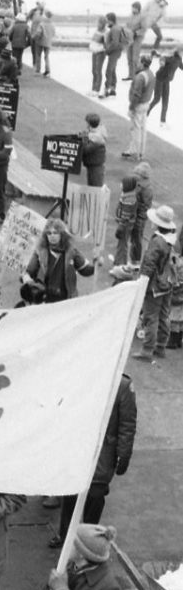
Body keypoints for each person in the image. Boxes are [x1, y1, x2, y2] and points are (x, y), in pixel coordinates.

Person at [50, 374, 137, 548]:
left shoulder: (123, 386)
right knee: (71, 494)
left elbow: (127, 426)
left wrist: (123, 455)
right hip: (77, 447)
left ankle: (89, 540)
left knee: (95, 496)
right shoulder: (84, 373)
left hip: (103, 453)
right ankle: (66, 536)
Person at [132, 205, 179, 361]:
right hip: (168, 283)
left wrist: (143, 280)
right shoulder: (170, 239)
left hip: (155, 285)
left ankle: (147, 350)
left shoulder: (157, 241)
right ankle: (160, 346)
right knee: (164, 315)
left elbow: (149, 263)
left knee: (151, 316)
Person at [20, 218, 94, 304]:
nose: (52, 236)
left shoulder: (71, 251)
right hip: (45, 300)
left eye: (55, 233)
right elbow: (28, 271)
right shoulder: (39, 251)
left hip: (66, 299)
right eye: (49, 233)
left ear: (62, 234)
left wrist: (96, 265)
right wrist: (25, 277)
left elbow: (85, 270)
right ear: (45, 236)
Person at [122, 55, 155, 161]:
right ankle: (141, 152)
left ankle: (134, 152)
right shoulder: (150, 74)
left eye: (139, 62)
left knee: (135, 129)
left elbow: (136, 95)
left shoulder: (140, 77)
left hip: (139, 105)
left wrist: (131, 108)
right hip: (146, 103)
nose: (137, 64)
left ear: (143, 63)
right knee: (142, 129)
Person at [148, 49, 183, 126]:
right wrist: (162, 62)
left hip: (166, 81)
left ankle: (162, 121)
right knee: (157, 99)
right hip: (159, 79)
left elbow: (182, 67)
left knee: (165, 101)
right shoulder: (172, 58)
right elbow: (163, 58)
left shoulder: (179, 60)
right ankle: (145, 113)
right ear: (178, 53)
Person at [112, 176, 138, 267]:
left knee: (122, 245)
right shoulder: (127, 195)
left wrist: (121, 226)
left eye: (122, 184)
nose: (120, 185)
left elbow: (125, 215)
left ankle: (121, 264)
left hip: (125, 225)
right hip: (125, 224)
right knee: (121, 243)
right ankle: (118, 261)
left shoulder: (129, 199)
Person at [100, 12, 125, 99]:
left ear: (111, 20)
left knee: (109, 70)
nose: (106, 23)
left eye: (107, 20)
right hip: (117, 51)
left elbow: (115, 43)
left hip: (114, 51)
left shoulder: (114, 29)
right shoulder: (117, 27)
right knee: (113, 69)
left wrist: (107, 50)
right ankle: (113, 89)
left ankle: (106, 90)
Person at [81, 113, 107, 187]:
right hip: (93, 165)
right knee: (92, 188)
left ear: (89, 124)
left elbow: (85, 149)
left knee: (95, 189)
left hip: (96, 167)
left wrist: (84, 138)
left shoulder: (96, 138)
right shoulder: (94, 133)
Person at [123, 2, 147, 80]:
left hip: (137, 38)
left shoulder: (142, 17)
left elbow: (144, 29)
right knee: (129, 57)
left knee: (135, 58)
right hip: (130, 38)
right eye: (132, 7)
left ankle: (137, 76)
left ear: (138, 8)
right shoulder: (130, 16)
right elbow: (127, 25)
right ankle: (130, 75)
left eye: (135, 8)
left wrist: (136, 33)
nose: (133, 9)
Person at [88, 15, 107, 95]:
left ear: (102, 24)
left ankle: (97, 89)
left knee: (98, 70)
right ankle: (93, 88)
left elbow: (106, 44)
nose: (97, 24)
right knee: (93, 70)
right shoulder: (96, 31)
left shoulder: (105, 32)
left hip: (100, 53)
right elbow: (93, 40)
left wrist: (100, 48)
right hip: (94, 52)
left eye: (99, 23)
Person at [33, 9, 55, 76]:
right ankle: (47, 70)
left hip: (40, 42)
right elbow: (53, 33)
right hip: (48, 42)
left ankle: (38, 69)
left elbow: (38, 33)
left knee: (38, 55)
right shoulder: (52, 24)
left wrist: (34, 38)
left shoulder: (42, 24)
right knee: (46, 56)